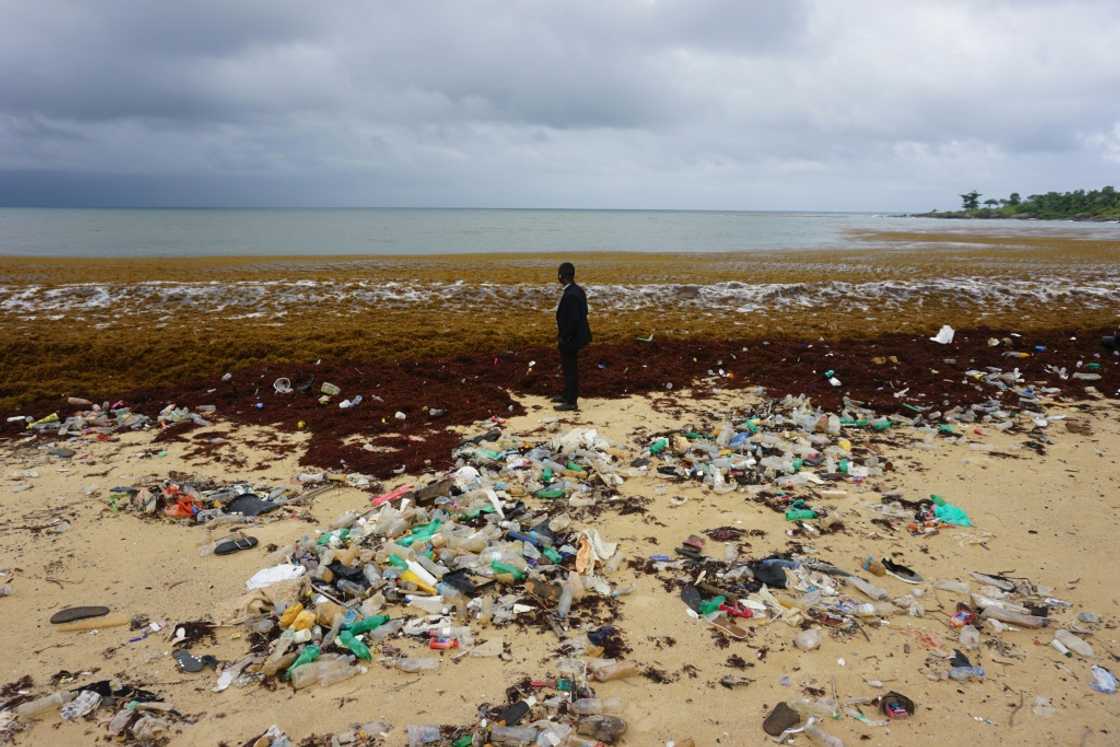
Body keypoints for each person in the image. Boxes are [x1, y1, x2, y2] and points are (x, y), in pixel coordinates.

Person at [554, 262, 592, 411]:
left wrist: (564, 337)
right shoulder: (578, 291)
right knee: (568, 367)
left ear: (561, 276)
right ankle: (567, 395)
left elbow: (573, 320)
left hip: (571, 339)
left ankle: (571, 401)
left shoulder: (571, 294)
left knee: (570, 369)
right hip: (576, 336)